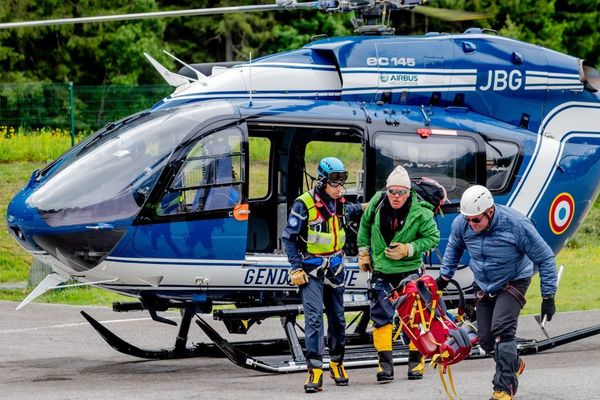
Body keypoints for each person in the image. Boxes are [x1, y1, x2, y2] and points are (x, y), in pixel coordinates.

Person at [437, 185, 558, 400]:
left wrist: (548, 297)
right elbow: (454, 247)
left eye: (476, 220)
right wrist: (444, 278)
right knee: (485, 340)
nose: (470, 224)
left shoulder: (517, 225)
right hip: (484, 284)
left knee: (502, 331)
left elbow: (545, 258)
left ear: (490, 212)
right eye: (467, 219)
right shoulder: (463, 224)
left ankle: (504, 388)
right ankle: (513, 362)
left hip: (514, 281)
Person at [282, 157, 365, 393]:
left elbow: (349, 210)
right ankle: (315, 370)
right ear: (321, 180)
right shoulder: (304, 204)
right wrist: (296, 267)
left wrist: (366, 206)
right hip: (311, 269)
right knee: (314, 318)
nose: (340, 187)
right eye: (335, 182)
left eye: (342, 181)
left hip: (336, 268)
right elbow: (288, 238)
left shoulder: (338, 201)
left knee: (338, 319)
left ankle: (337, 363)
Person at [356, 165, 440, 383]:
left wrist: (408, 249)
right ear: (387, 190)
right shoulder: (376, 202)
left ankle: (416, 362)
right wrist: (363, 253)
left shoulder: (421, 212)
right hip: (381, 271)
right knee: (380, 317)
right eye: (392, 191)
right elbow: (364, 227)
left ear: (408, 192)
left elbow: (433, 238)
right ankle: (384, 366)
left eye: (401, 192)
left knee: (414, 317)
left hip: (409, 271)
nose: (396, 196)